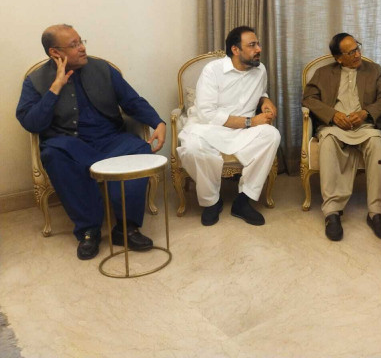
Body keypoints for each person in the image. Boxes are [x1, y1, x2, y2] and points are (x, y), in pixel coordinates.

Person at [16, 24, 166, 260]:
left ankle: (126, 228)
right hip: (69, 143)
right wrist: (55, 87)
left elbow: (132, 101)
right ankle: (89, 230)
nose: (82, 48)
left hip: (110, 139)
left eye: (81, 41)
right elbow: (32, 123)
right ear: (55, 52)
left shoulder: (103, 69)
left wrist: (158, 122)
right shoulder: (35, 81)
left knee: (140, 148)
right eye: (74, 45)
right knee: (54, 155)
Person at [177, 26, 280, 227]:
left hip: (242, 131)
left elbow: (260, 92)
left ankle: (243, 201)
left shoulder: (260, 69)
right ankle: (211, 202)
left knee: (272, 135)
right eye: (252, 45)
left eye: (258, 44)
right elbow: (207, 114)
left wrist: (265, 100)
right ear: (235, 50)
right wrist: (251, 121)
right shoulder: (212, 70)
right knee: (192, 148)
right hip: (208, 128)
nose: (259, 49)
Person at [302, 32, 381, 241]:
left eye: (358, 48)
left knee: (376, 142)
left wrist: (366, 113)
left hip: (364, 126)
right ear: (339, 58)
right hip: (334, 127)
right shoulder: (322, 73)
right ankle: (332, 213)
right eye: (351, 52)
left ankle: (376, 213)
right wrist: (332, 115)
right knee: (328, 142)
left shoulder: (373, 70)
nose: (358, 54)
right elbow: (308, 98)